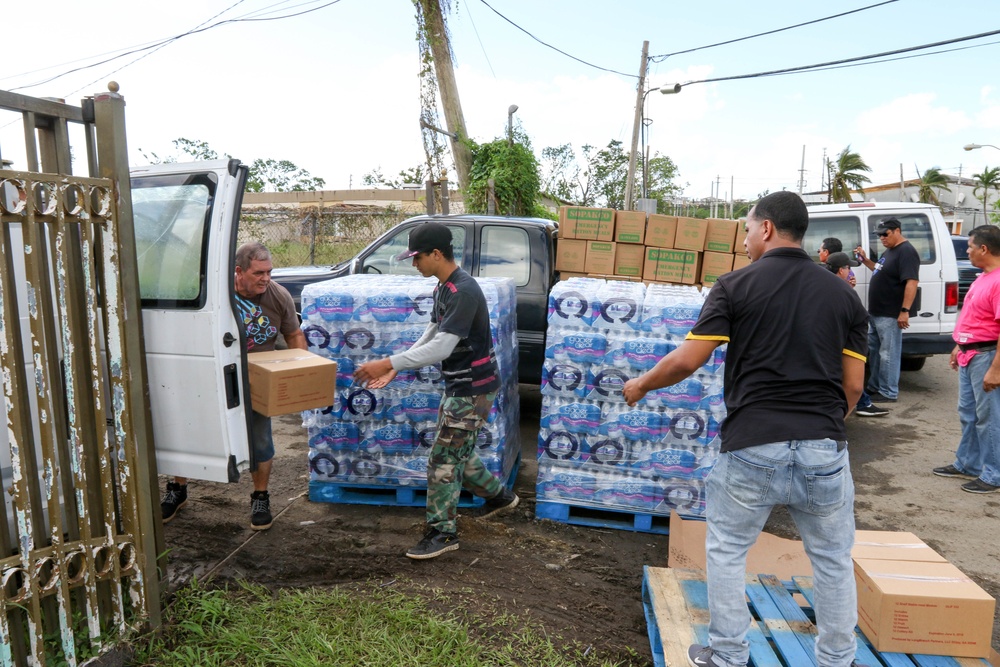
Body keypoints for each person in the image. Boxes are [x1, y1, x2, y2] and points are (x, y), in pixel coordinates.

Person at [623, 191, 868, 667]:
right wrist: (821, 430)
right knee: (833, 559)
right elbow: (853, 386)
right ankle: (838, 659)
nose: (746, 238)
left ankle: (729, 655)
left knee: (729, 551)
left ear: (769, 229)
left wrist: (641, 385)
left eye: (748, 228)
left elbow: (687, 361)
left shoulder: (735, 286)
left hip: (753, 444)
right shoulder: (843, 295)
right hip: (824, 446)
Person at [354, 222, 519, 559]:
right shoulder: (443, 288)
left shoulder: (464, 291)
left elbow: (443, 347)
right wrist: (395, 366)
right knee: (456, 451)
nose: (414, 265)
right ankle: (500, 498)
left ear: (437, 254)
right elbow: (433, 330)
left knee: (443, 460)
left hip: (472, 389)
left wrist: (387, 361)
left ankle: (443, 533)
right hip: (460, 385)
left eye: (417, 258)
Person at [160, 242, 306, 531]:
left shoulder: (278, 296)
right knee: (188, 430)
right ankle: (178, 489)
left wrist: (300, 375)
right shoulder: (214, 293)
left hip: (256, 381)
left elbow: (294, 334)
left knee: (260, 440)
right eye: (258, 273)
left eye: (269, 272)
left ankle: (260, 497)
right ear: (238, 271)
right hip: (211, 374)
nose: (266, 278)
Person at [933, 225, 1000, 494]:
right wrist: (958, 346)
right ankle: (968, 463)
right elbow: (973, 316)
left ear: (984, 248)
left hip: (986, 356)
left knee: (989, 417)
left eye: (970, 247)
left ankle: (993, 473)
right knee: (969, 414)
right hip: (969, 353)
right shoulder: (983, 277)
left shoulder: (998, 280)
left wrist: (995, 370)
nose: (968, 251)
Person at [854, 217, 919, 403]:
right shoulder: (891, 250)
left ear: (897, 230)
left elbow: (912, 282)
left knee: (888, 354)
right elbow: (879, 269)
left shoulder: (906, 251)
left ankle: (888, 392)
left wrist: (904, 310)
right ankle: (875, 386)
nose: (882, 237)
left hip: (890, 313)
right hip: (876, 312)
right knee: (875, 351)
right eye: (879, 234)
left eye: (886, 234)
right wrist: (865, 260)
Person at [825, 252, 888, 418]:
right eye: (848, 268)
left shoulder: (823, 285)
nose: (850, 272)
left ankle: (863, 402)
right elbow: (854, 386)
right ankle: (862, 404)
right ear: (841, 270)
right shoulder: (843, 292)